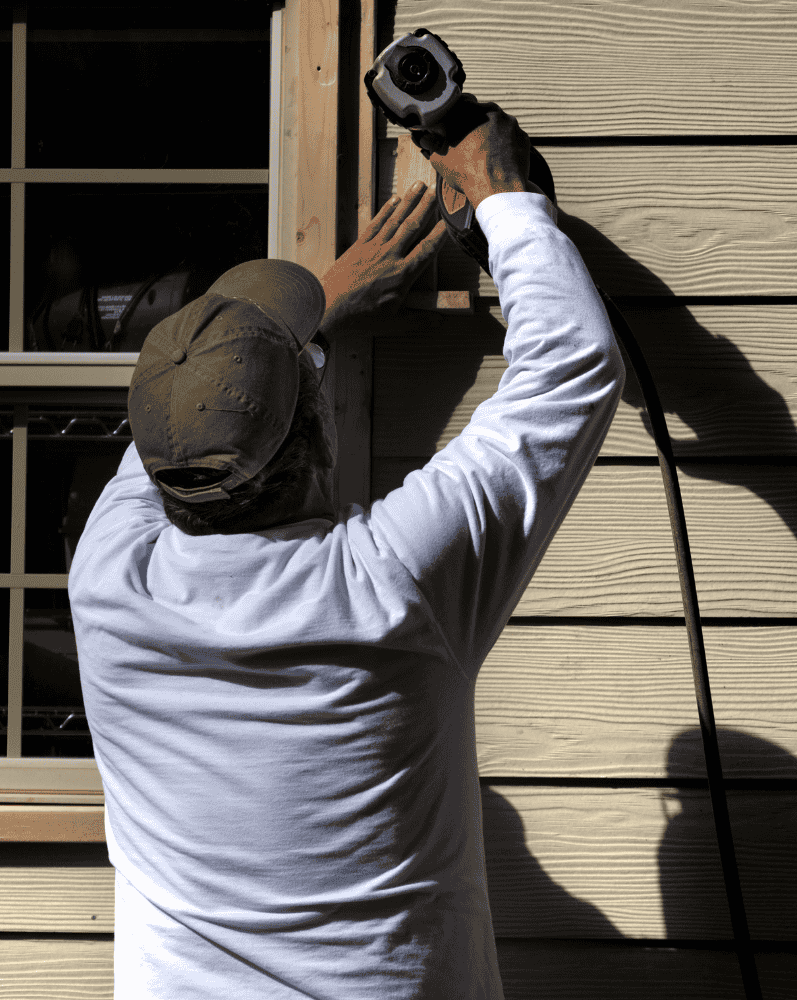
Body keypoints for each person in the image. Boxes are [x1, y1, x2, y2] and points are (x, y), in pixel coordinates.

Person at [69, 103, 623, 998]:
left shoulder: (105, 573)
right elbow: (573, 366)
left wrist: (315, 310)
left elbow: (192, 426)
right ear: (321, 435)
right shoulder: (392, 585)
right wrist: (504, 197)